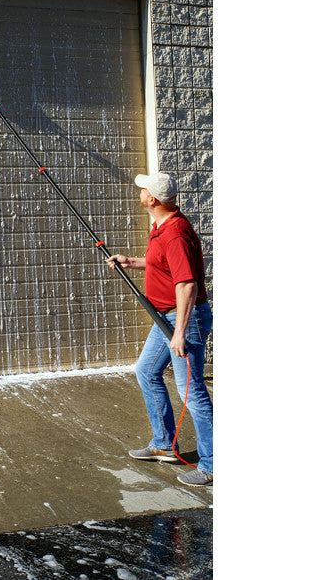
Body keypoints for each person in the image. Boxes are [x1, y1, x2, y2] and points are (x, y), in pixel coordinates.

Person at [107, 171, 213, 487]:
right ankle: (164, 444)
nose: (139, 192)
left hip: (182, 319)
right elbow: (162, 265)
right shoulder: (163, 227)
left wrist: (180, 332)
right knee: (146, 371)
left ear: (152, 199)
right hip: (164, 317)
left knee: (191, 393)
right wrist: (131, 262)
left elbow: (187, 285)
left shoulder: (175, 234)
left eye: (143, 190)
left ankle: (211, 465)